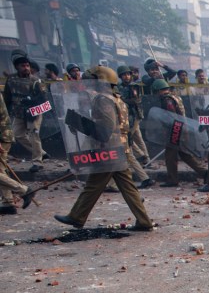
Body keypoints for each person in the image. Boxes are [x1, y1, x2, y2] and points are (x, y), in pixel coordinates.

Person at [53, 67, 153, 232]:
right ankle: (144, 221)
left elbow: (106, 128)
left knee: (93, 185)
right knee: (127, 187)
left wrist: (78, 122)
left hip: (110, 149)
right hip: (119, 148)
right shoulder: (116, 98)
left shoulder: (103, 99)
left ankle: (76, 216)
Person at [151, 79, 206, 186]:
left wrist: (170, 132)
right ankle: (205, 173)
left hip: (175, 131)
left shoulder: (167, 100)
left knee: (170, 157)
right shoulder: (175, 97)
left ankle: (173, 179)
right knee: (185, 154)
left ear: (158, 90)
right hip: (181, 129)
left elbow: (172, 117)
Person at [4, 52, 45, 172]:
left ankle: (38, 162)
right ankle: (41, 153)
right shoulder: (11, 79)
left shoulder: (36, 80)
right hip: (18, 112)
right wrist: (5, 112)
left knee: (34, 135)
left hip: (33, 112)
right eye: (23, 66)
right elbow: (7, 96)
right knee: (17, 135)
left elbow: (43, 98)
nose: (26, 68)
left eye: (27, 65)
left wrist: (31, 101)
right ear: (17, 67)